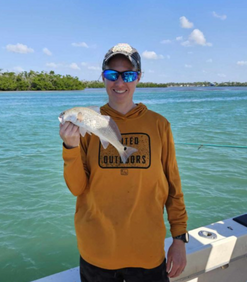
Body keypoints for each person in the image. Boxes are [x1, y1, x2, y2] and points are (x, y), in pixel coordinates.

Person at [59, 43, 188, 282]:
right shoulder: (85, 126)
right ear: (102, 77)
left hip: (148, 254)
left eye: (128, 75)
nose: (120, 83)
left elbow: (173, 186)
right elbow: (77, 188)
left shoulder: (159, 125)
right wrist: (70, 147)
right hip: (96, 255)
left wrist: (179, 239)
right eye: (112, 74)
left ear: (138, 77)